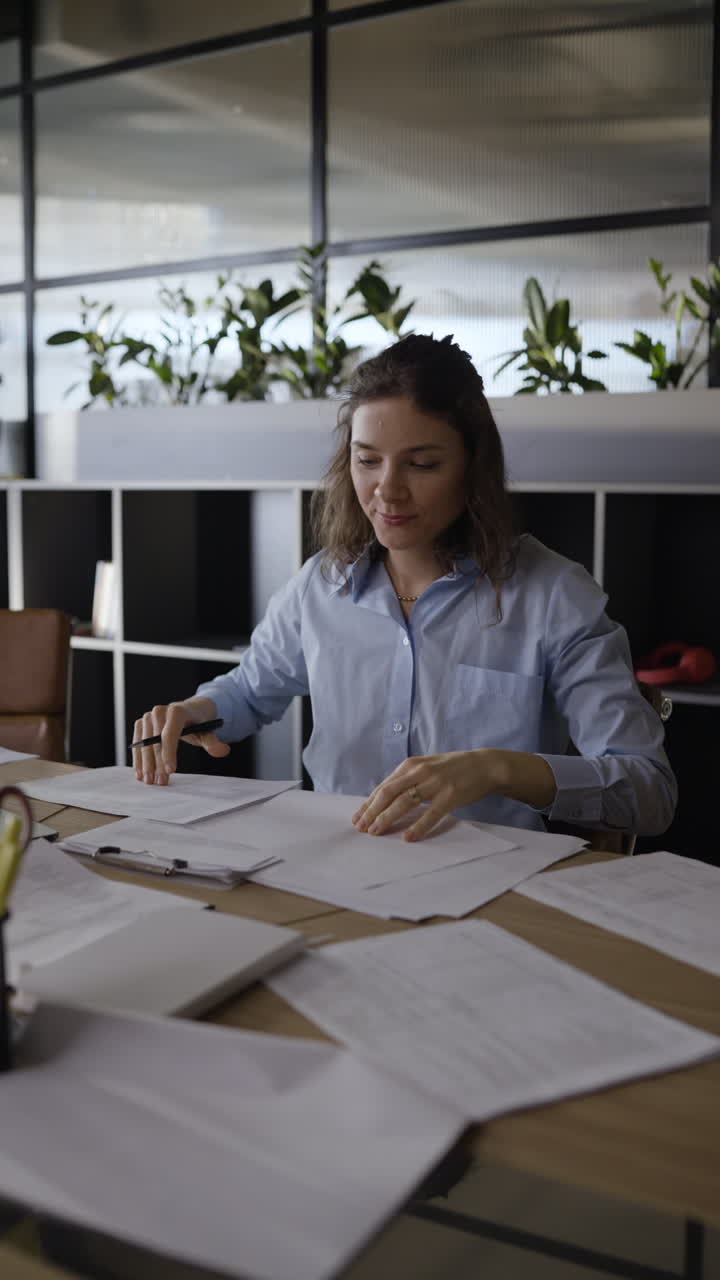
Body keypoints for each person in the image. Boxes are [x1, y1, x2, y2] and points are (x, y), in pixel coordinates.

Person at [133, 334, 677, 843]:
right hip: (335, 868)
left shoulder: (554, 596)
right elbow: (250, 691)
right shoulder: (321, 584)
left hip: (488, 889)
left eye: (421, 464)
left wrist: (496, 768)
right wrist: (198, 709)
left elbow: (648, 790)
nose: (386, 491)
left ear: (472, 468)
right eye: (367, 460)